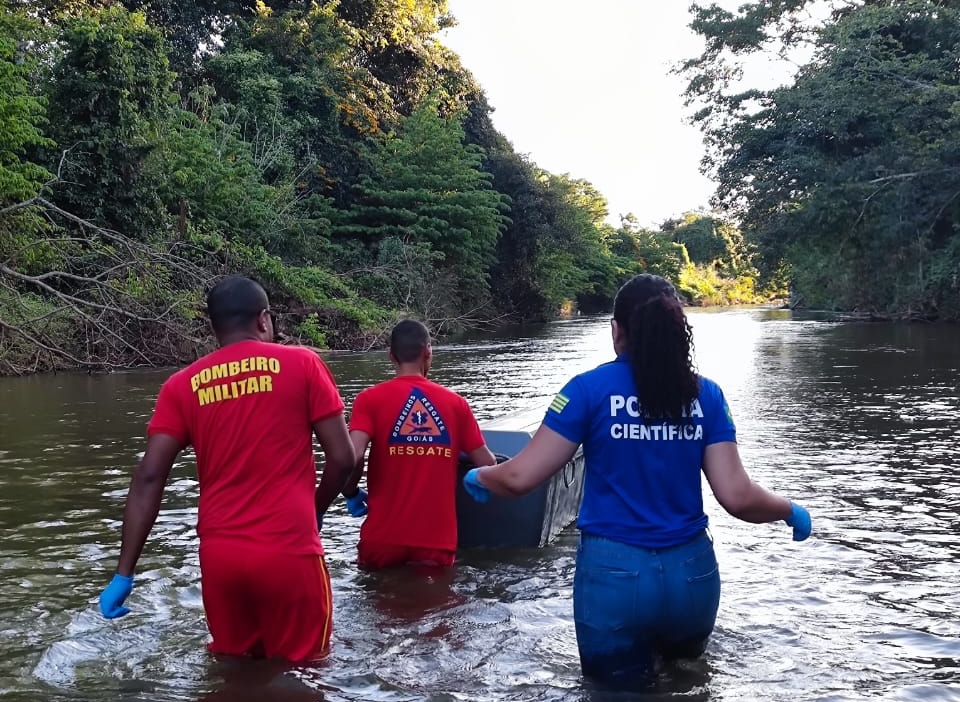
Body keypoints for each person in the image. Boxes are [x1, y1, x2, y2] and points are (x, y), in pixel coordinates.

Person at [461, 273, 812, 689]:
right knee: (688, 685)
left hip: (615, 579)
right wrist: (789, 509)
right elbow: (737, 497)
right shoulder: (706, 395)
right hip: (692, 577)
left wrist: (482, 474)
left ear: (617, 329)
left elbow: (520, 477)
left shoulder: (587, 391)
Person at [96, 275, 355, 663]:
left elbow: (149, 476)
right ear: (263, 320)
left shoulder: (182, 385)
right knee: (306, 672)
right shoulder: (302, 364)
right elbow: (344, 457)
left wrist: (124, 572)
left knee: (233, 672)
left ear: (213, 328)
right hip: (288, 550)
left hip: (221, 560)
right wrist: (315, 510)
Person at [341, 319, 497, 569]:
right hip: (435, 542)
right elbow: (487, 464)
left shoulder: (369, 400)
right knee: (434, 606)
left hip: (382, 539)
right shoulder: (456, 405)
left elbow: (351, 456)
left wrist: (350, 492)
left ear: (391, 356)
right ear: (428, 352)